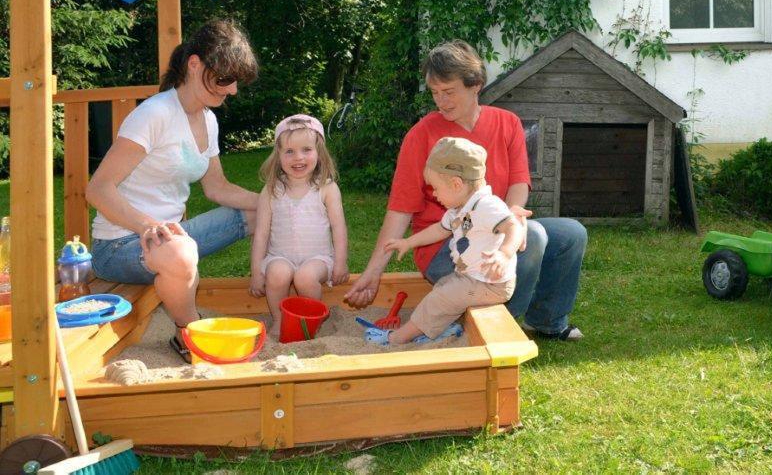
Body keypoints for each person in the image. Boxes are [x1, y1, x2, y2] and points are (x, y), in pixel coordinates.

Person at [345, 40, 587, 341]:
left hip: (494, 228)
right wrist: (373, 272)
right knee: (535, 236)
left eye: (449, 92)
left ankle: (547, 321)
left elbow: (518, 182)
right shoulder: (421, 135)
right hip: (444, 248)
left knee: (570, 234)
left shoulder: (507, 123)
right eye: (435, 93)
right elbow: (400, 210)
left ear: (476, 85)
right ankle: (493, 332)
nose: (441, 101)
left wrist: (514, 216)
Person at [87, 18, 260, 345]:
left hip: (172, 238)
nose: (233, 90)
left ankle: (275, 286)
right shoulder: (155, 114)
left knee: (260, 212)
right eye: (225, 79)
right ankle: (189, 332)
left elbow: (217, 188)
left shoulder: (208, 120)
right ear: (195, 65)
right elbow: (97, 189)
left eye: (236, 81)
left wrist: (274, 201)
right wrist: (147, 226)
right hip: (120, 246)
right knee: (180, 254)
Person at [364, 137, 520, 346]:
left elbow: (513, 227)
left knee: (440, 300)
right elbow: (438, 230)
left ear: (456, 184)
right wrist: (409, 242)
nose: (434, 194)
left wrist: (504, 254)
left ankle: (396, 338)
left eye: (436, 188)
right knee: (443, 287)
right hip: (471, 277)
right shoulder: (459, 209)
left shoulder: (486, 205)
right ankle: (441, 329)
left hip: (490, 283)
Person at [249, 115, 349, 338]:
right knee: (276, 274)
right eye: (289, 151)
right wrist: (257, 272)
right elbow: (261, 234)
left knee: (304, 277)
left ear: (319, 153)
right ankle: (279, 319)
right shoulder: (271, 190)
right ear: (278, 155)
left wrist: (340, 263)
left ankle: (310, 319)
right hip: (280, 256)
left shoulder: (326, 188)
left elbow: (339, 229)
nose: (298, 158)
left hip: (318, 258)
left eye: (306, 150)